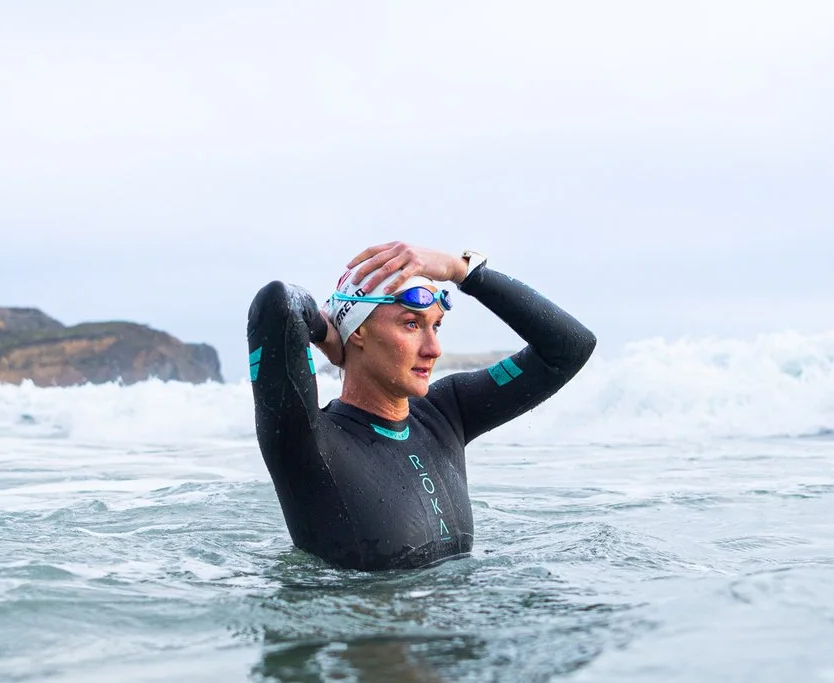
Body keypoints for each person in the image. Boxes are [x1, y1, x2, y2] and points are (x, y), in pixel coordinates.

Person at [245, 243, 595, 571]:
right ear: (359, 332)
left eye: (436, 326)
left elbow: (569, 348)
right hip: (368, 632)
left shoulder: (447, 413)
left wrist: (461, 271)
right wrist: (328, 333)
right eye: (411, 324)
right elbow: (278, 304)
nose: (434, 349)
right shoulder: (306, 439)